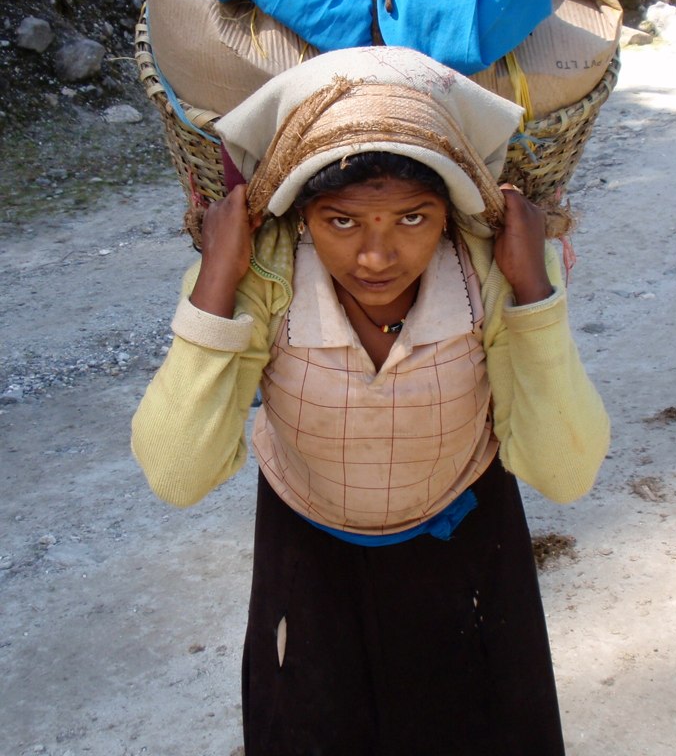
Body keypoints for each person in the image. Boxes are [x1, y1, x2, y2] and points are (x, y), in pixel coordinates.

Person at [131, 45, 610, 756]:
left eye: (412, 219)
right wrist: (215, 281)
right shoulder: (264, 279)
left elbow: (565, 473)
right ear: (301, 220)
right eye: (342, 222)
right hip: (310, 549)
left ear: (450, 217)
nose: (376, 258)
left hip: (467, 542)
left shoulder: (492, 272)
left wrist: (534, 295)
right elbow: (177, 474)